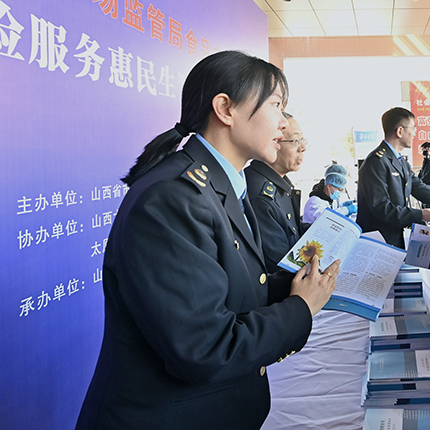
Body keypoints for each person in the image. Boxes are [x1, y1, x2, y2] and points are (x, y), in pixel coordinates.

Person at [76, 51, 340, 430]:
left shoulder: (221, 186)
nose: (283, 123)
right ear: (225, 109)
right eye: (276, 105)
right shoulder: (172, 197)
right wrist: (300, 308)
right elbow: (205, 347)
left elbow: (236, 290)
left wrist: (304, 288)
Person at [356, 107, 430, 249]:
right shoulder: (376, 162)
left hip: (394, 237)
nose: (415, 133)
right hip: (377, 241)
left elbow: (421, 189)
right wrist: (419, 215)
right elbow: (381, 208)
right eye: (413, 128)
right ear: (400, 131)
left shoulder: (401, 162)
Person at [244, 113, 308, 271]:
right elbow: (281, 267)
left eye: (302, 140)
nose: (303, 148)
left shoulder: (281, 186)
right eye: (295, 141)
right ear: (273, 143)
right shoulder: (259, 196)